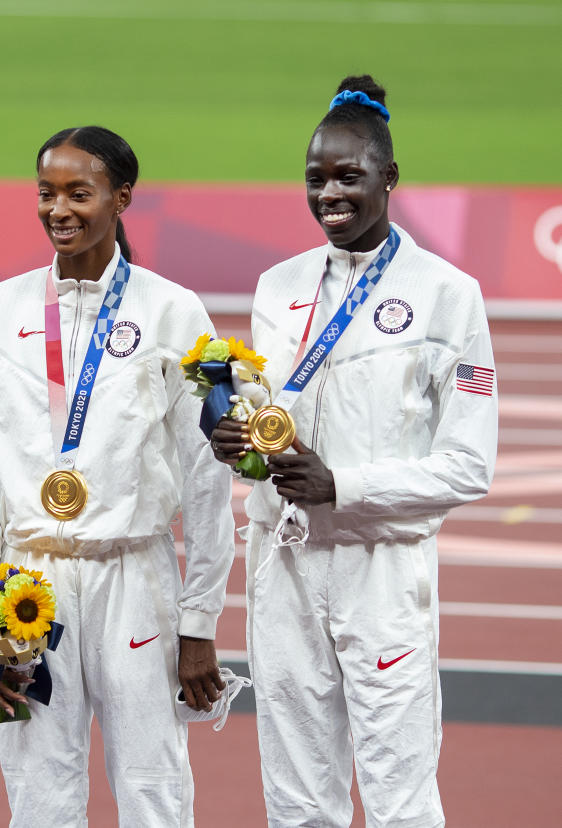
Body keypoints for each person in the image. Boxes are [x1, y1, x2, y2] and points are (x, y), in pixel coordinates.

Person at [211, 75, 497, 827]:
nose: (329, 193)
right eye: (316, 179)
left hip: (381, 571)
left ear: (389, 177)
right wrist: (235, 439)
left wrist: (345, 484)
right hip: (284, 564)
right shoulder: (278, 285)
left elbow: (469, 465)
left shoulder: (447, 294)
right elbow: (269, 411)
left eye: (348, 176)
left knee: (399, 796)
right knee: (298, 797)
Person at [0, 126, 237, 827]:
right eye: (46, 193)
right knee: (39, 793)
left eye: (80, 193)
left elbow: (206, 476)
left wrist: (199, 620)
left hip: (134, 578)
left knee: (152, 788)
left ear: (122, 198)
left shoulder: (174, 311)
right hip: (27, 586)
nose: (60, 209)